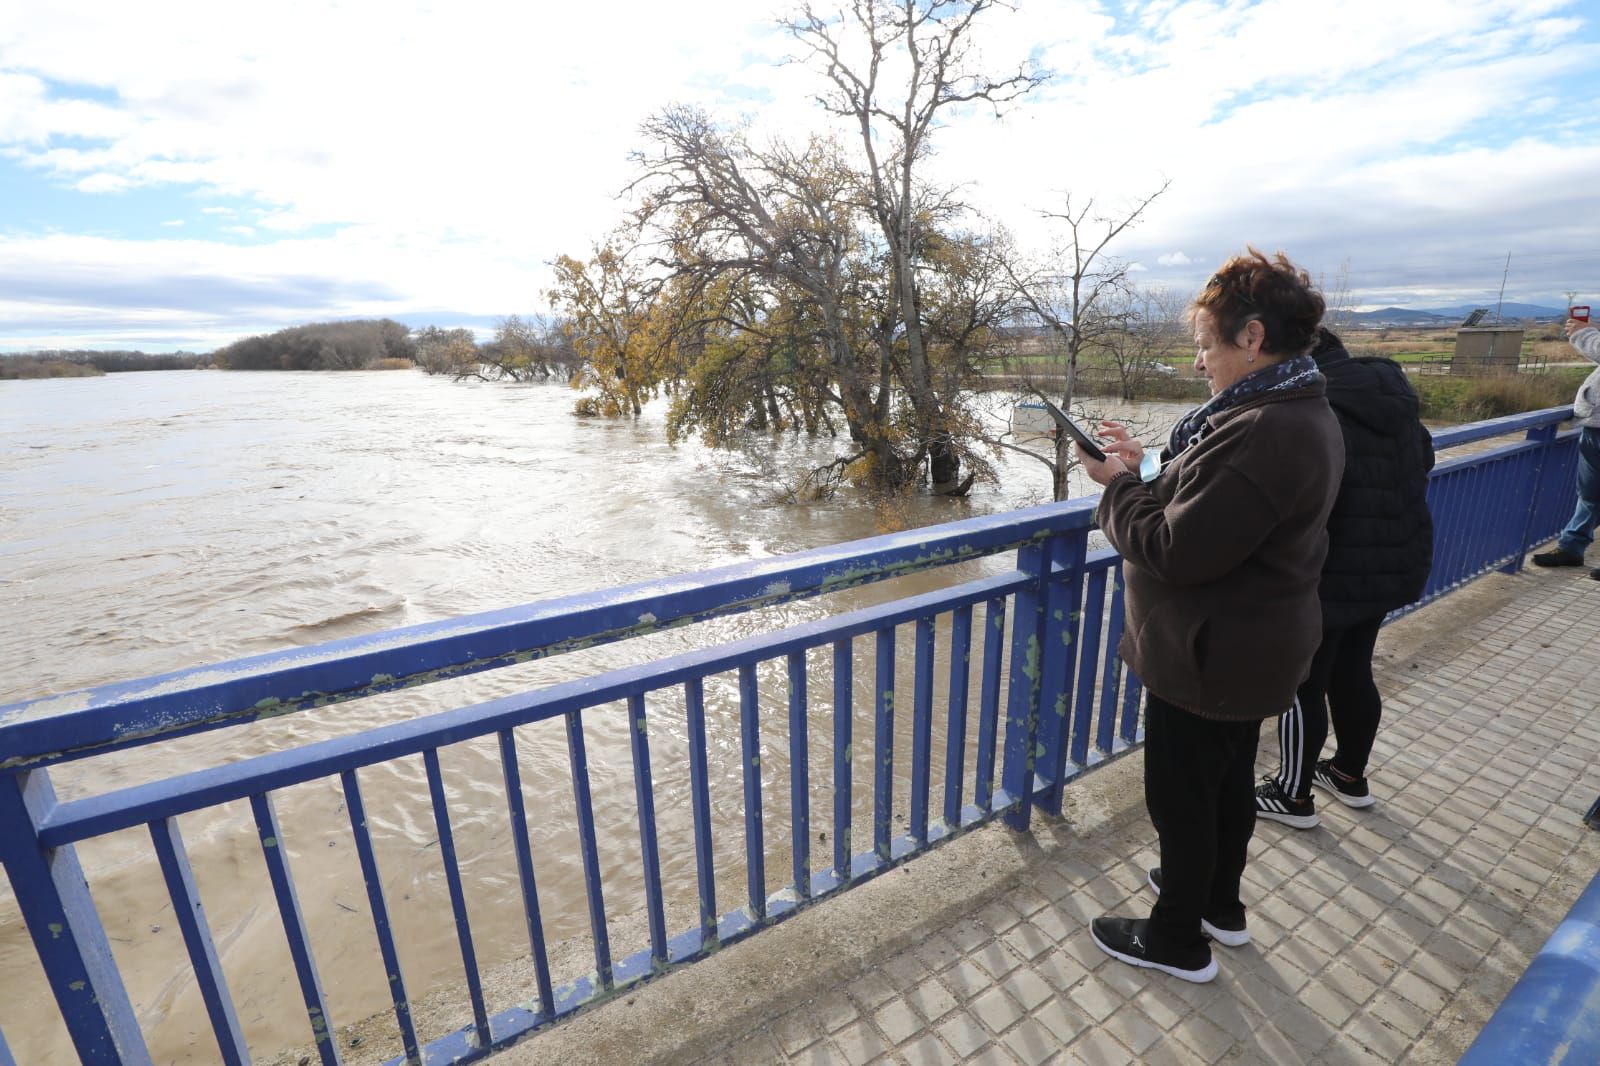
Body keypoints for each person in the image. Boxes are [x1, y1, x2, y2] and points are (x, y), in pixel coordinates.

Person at [1076, 249, 1344, 983]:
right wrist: (1151, 467)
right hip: (1247, 647)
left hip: (1209, 657)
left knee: (1180, 798)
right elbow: (1210, 501)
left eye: (1205, 345)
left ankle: (1176, 940)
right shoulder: (1291, 408)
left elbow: (1175, 549)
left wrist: (1118, 485)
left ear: (1252, 337)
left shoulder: (1265, 429)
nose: (1200, 363)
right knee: (1224, 787)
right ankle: (1219, 906)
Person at [1253, 328, 1435, 829]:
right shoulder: (1391, 395)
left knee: (1302, 682)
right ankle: (1348, 775)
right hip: (1388, 560)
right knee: (1353, 670)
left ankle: (1292, 795)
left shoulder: (1319, 404)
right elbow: (1424, 459)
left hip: (1331, 567)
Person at [1531, 313, 1600, 577]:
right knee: (1589, 494)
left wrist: (1584, 333)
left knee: (1591, 494)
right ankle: (1571, 547)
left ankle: (1571, 546)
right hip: (1595, 427)